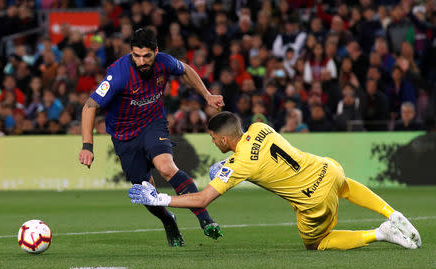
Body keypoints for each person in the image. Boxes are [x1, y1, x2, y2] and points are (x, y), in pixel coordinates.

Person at [129, 111, 422, 251]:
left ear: (221, 138)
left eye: (213, 138)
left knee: (317, 243)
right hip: (326, 167)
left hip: (313, 199)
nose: (213, 141)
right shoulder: (260, 126)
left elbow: (203, 198)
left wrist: (162, 199)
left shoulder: (240, 163)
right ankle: (392, 213)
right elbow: (261, 159)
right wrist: (227, 163)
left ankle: (382, 233)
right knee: (343, 183)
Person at [78, 28, 224, 247]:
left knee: (166, 167)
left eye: (147, 56)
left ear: (156, 51)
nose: (141, 61)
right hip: (124, 136)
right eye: (136, 56)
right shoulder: (118, 74)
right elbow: (89, 106)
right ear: (131, 53)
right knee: (145, 189)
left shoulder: (164, 62)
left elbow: (185, 70)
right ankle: (168, 220)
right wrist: (87, 146)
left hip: (152, 125)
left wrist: (207, 95)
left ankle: (205, 220)